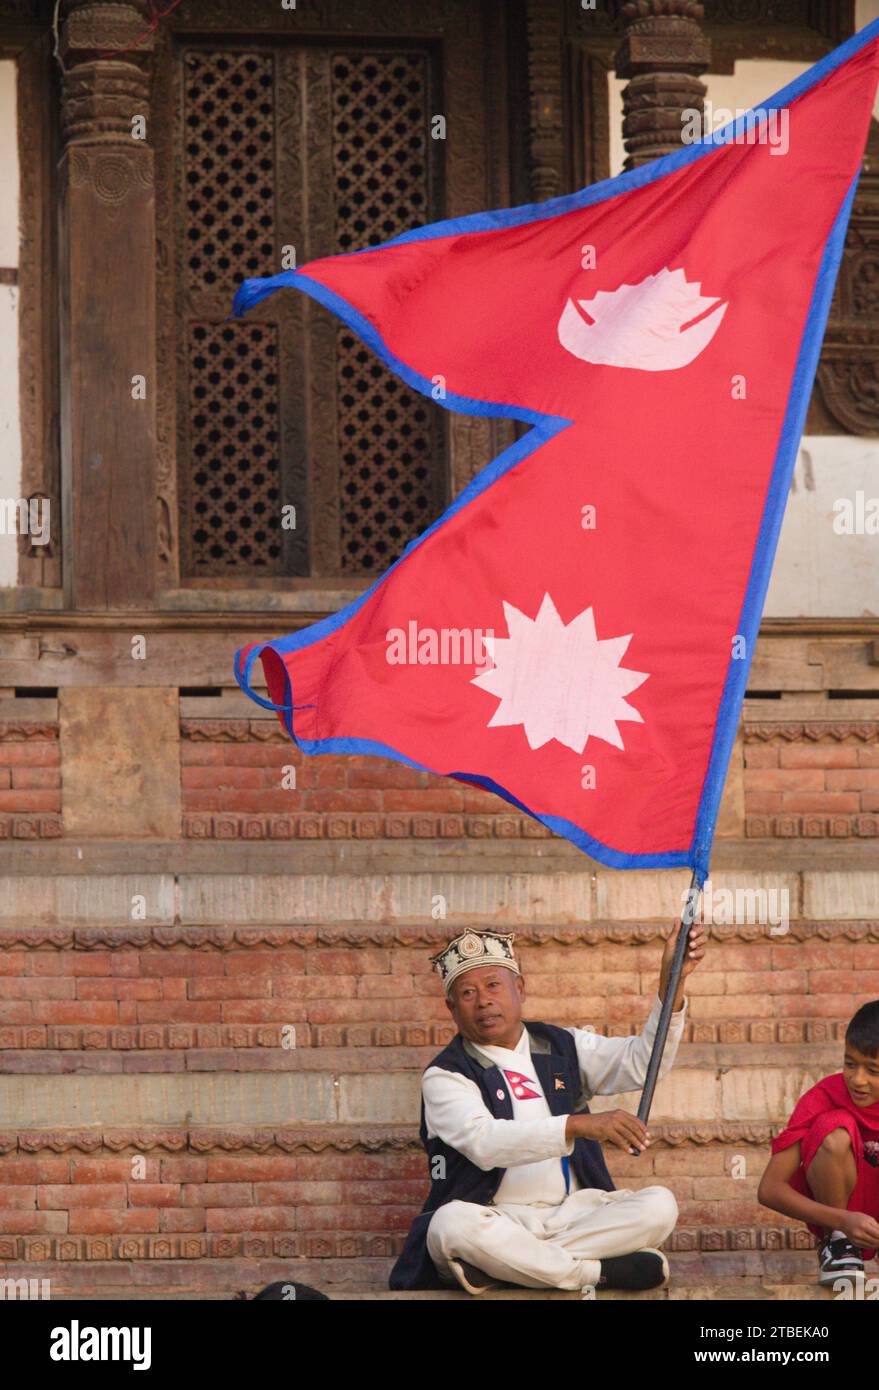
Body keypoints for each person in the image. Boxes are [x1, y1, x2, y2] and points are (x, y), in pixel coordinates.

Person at [389, 922, 705, 1295]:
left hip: (574, 1215)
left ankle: (507, 1267)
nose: (484, 1000)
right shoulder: (445, 1075)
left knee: (659, 1205)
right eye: (468, 993)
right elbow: (485, 1143)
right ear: (452, 1008)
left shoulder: (562, 1044)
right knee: (449, 1225)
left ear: (518, 988)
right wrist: (576, 1126)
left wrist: (672, 984)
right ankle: (592, 1273)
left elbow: (641, 1062)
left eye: (493, 985)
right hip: (496, 1218)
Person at [758, 998, 879, 1287]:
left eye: (873, 1070)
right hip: (842, 1218)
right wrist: (841, 1221)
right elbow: (770, 1189)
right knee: (833, 1128)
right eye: (850, 1064)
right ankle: (838, 1247)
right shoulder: (823, 1097)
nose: (857, 1080)